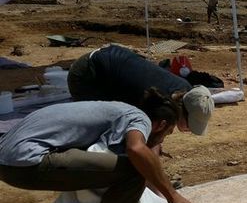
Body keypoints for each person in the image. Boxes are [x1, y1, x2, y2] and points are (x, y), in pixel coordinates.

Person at [0, 89, 195, 203]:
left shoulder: (117, 111)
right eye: (167, 133)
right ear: (160, 125)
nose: (162, 139)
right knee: (134, 172)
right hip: (25, 162)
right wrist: (173, 196)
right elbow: (136, 149)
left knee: (103, 170)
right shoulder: (139, 118)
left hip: (8, 160)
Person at [67, 45, 214, 136]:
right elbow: (141, 142)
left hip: (111, 64)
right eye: (189, 126)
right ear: (183, 112)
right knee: (102, 129)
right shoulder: (156, 102)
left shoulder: (184, 89)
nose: (188, 130)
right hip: (88, 73)